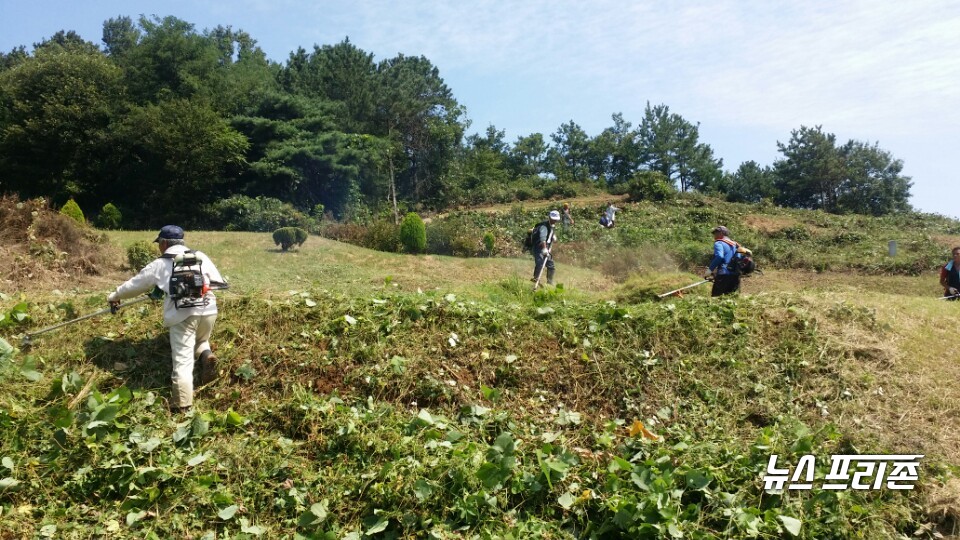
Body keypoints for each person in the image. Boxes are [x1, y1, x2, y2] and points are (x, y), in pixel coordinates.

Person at [107, 225, 227, 413]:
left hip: (183, 315)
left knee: (182, 361)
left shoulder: (161, 263)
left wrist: (114, 296)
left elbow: (134, 285)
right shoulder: (200, 256)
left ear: (164, 243)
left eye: (159, 244)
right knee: (201, 339)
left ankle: (182, 407)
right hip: (209, 310)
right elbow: (217, 282)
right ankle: (206, 356)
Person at [706, 225, 741, 297]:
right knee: (732, 300)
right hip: (735, 276)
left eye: (716, 233)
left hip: (723, 275)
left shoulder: (719, 243)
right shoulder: (735, 245)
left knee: (716, 299)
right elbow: (738, 257)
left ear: (721, 233)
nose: (714, 235)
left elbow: (719, 256)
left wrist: (709, 271)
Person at [531, 210, 561, 286]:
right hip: (539, 247)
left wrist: (553, 236)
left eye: (556, 220)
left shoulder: (552, 225)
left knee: (551, 265)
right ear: (550, 218)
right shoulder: (543, 227)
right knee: (540, 263)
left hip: (546, 246)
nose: (555, 221)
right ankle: (536, 278)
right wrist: (544, 249)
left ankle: (550, 282)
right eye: (553, 219)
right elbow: (542, 239)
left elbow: (550, 232)